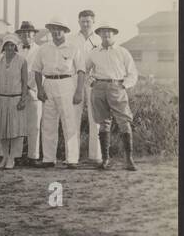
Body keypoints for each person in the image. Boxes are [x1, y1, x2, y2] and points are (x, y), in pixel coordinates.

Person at [82, 25, 138, 170]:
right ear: (99, 34)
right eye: (103, 32)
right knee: (103, 122)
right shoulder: (94, 52)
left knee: (124, 121)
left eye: (109, 32)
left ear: (114, 34)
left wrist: (124, 86)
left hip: (117, 86)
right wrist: (91, 82)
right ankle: (105, 159)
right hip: (99, 87)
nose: (106, 34)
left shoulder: (122, 52)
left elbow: (132, 73)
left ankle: (128, 159)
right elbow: (84, 69)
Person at [34, 17, 80, 169]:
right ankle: (48, 158)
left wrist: (79, 90)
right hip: (48, 84)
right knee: (48, 123)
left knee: (69, 122)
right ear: (50, 30)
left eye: (59, 28)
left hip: (66, 84)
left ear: (65, 31)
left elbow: (81, 71)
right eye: (53, 28)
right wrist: (40, 89)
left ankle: (72, 159)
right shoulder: (44, 48)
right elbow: (37, 70)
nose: (56, 31)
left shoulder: (73, 47)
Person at [0, 34, 28, 170]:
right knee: (2, 130)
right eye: (7, 45)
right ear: (4, 47)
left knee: (15, 131)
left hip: (15, 99)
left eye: (12, 45)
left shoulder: (22, 61)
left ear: (16, 47)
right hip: (1, 99)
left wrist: (23, 99)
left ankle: (12, 158)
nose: (10, 48)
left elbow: (25, 82)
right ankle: (5, 156)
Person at [71, 9, 102, 163]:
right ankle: (72, 157)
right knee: (73, 119)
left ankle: (95, 156)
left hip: (92, 82)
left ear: (93, 22)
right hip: (75, 82)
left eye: (88, 21)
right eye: (82, 21)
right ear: (78, 21)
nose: (85, 24)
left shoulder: (99, 40)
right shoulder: (72, 40)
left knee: (94, 119)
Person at [16, 20, 42, 164]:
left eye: (29, 33)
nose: (26, 35)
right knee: (18, 124)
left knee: (35, 125)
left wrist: (29, 87)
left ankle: (33, 156)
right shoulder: (14, 49)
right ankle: (17, 155)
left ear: (34, 35)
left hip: (34, 91)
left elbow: (40, 70)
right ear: (19, 35)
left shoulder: (40, 50)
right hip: (17, 92)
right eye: (23, 33)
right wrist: (20, 89)